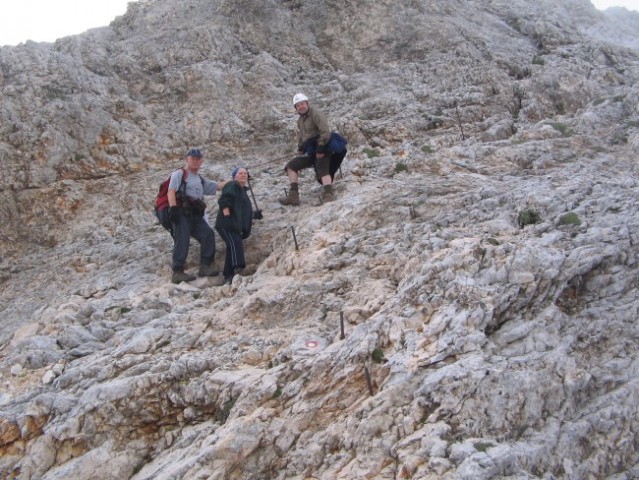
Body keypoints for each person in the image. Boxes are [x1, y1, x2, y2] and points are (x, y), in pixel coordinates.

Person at [167, 148, 225, 284]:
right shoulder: (179, 174)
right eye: (193, 158)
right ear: (187, 159)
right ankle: (177, 271)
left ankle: (205, 266)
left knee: (208, 234)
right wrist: (173, 209)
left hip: (196, 215)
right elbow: (171, 191)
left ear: (201, 161)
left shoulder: (199, 179)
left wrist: (234, 181)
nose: (195, 161)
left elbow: (216, 186)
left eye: (198, 159)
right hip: (181, 213)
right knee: (183, 239)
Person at [279, 93, 336, 206]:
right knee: (291, 166)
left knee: (322, 168)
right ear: (296, 108)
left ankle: (329, 194)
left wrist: (320, 147)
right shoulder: (300, 121)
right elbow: (303, 137)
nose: (301, 106)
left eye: (302, 104)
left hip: (323, 149)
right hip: (310, 152)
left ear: (307, 103)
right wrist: (301, 147)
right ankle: (294, 196)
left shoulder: (316, 114)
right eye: (298, 105)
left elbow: (325, 132)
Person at [215, 167, 253, 285]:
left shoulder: (242, 191)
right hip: (226, 223)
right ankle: (238, 268)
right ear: (234, 176)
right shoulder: (232, 185)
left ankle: (228, 275)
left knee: (232, 246)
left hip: (234, 224)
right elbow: (224, 200)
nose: (243, 175)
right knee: (235, 242)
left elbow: (242, 211)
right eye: (240, 173)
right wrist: (227, 217)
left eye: (245, 173)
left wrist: (254, 215)